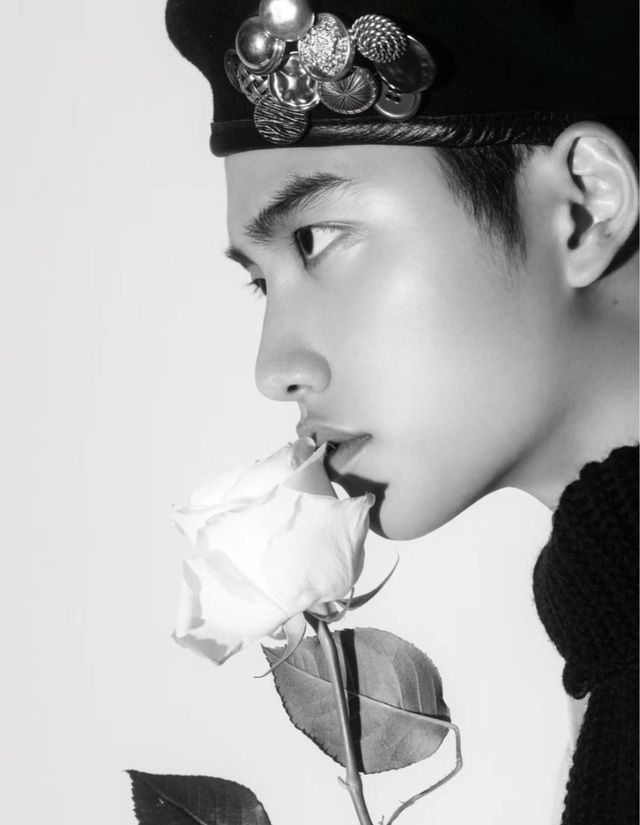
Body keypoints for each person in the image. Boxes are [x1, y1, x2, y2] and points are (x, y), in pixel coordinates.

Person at [164, 1, 638, 822]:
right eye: (261, 282)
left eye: (317, 238)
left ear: (586, 206)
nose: (274, 368)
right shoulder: (612, 642)